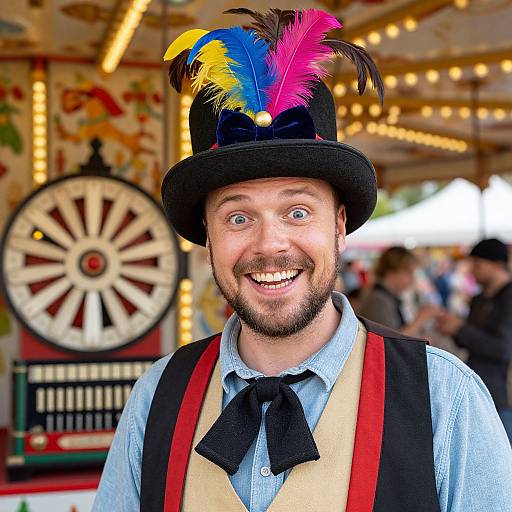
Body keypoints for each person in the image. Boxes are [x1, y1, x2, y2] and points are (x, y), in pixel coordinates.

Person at [93, 8, 512, 512]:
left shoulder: (445, 398)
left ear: (338, 224)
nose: (270, 245)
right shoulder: (154, 398)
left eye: (296, 211)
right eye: (238, 218)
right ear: (207, 234)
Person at [437, 238, 512, 439]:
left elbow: (502, 349)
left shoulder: (508, 298)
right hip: (478, 388)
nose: (472, 270)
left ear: (497, 265)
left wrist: (460, 329)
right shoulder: (479, 299)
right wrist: (453, 329)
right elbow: (469, 341)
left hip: (502, 395)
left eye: (478, 264)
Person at [358, 246, 441, 336]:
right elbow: (391, 343)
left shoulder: (386, 297)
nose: (412, 279)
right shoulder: (378, 300)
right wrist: (420, 318)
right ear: (391, 272)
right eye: (408, 273)